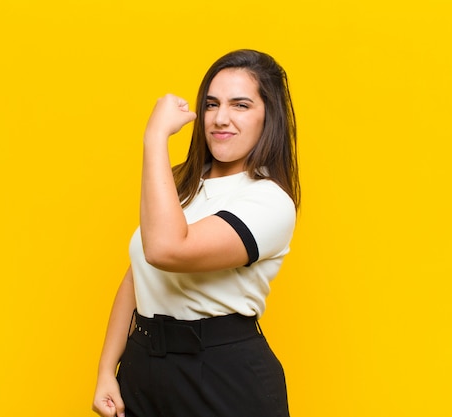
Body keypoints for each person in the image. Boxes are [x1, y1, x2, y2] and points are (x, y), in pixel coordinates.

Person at [92, 49, 300, 417]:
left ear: (269, 117)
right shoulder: (181, 184)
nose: (220, 119)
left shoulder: (269, 201)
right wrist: (107, 370)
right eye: (211, 104)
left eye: (240, 105)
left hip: (222, 376)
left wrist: (155, 137)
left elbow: (166, 250)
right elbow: (139, 273)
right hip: (143, 367)